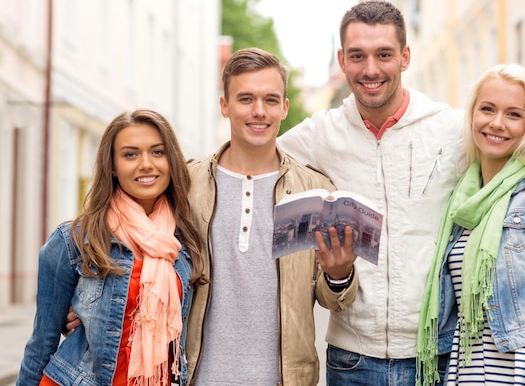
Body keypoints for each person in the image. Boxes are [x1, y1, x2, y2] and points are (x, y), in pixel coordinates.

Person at [277, 0, 525, 385]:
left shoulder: (453, 128)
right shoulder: (320, 134)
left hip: (435, 358)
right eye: (358, 56)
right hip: (352, 359)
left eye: (384, 55)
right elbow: (257, 160)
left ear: (405, 57)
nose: (371, 69)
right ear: (342, 60)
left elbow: (517, 165)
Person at [184, 47, 358, 385]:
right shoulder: (187, 184)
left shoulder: (315, 191)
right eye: (246, 99)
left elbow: (334, 300)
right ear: (225, 106)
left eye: (270, 100)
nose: (259, 111)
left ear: (284, 107)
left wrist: (339, 273)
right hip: (196, 377)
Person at [417, 63, 525, 385]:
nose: (496, 123)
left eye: (513, 114)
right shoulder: (460, 200)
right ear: (472, 115)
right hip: (466, 374)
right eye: (487, 109)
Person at [17, 110, 206, 385]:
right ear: (113, 167)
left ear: (172, 161)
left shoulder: (185, 243)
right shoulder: (74, 240)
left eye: (157, 152)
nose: (146, 164)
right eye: (130, 154)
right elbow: (41, 343)